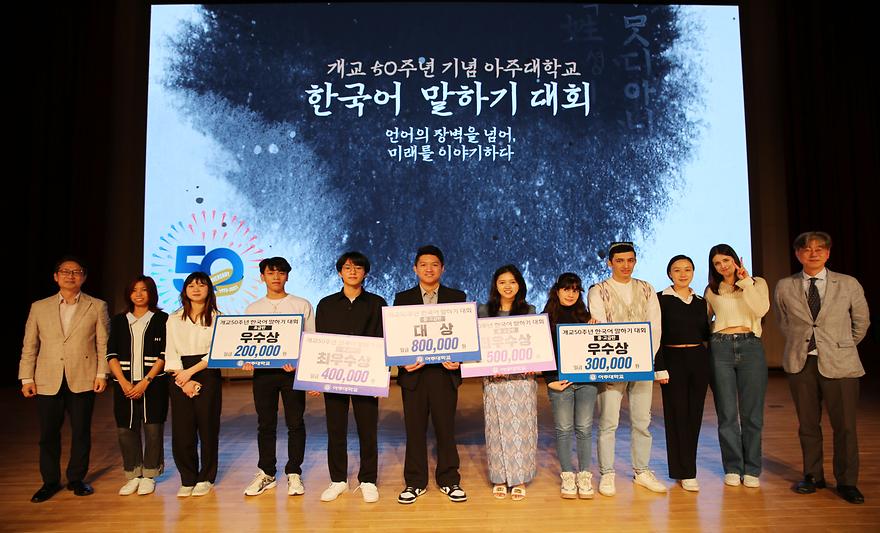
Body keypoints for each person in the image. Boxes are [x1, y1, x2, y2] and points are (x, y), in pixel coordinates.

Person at [773, 232, 870, 504]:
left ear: (828, 253)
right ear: (798, 254)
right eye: (806, 249)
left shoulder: (848, 283)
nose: (813, 253)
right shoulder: (785, 285)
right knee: (807, 425)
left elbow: (861, 321)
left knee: (845, 427)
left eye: (819, 249)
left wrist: (841, 345)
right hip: (801, 362)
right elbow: (784, 321)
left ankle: (847, 482)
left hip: (841, 363)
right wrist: (802, 344)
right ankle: (813, 476)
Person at [19, 256, 110, 503]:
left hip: (83, 376)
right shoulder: (39, 307)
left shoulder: (97, 306)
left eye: (76, 272)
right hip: (47, 378)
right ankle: (49, 482)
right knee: (48, 434)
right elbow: (30, 344)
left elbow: (103, 343)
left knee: (81, 432)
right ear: (56, 276)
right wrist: (26, 377)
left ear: (84, 277)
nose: (71, 276)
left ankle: (76, 479)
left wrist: (101, 374)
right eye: (65, 271)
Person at [588, 242, 667, 496]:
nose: (625, 265)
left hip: (642, 363)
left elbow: (655, 325)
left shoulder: (646, 288)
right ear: (610, 263)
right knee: (608, 421)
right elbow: (600, 326)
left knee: (642, 421)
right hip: (612, 365)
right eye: (620, 261)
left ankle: (641, 471)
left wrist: (645, 357)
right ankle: (607, 473)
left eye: (630, 260)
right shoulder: (598, 290)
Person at [394, 245, 468, 504]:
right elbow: (396, 337)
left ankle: (449, 480)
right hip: (414, 376)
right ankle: (415, 482)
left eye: (434, 264)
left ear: (442, 268)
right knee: (414, 430)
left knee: (446, 429)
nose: (429, 269)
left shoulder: (457, 297)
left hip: (443, 375)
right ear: (415, 268)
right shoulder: (402, 299)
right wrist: (402, 362)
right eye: (423, 264)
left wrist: (459, 359)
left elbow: (465, 335)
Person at [315, 251, 387, 503]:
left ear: (365, 272)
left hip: (366, 377)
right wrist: (315, 378)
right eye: (347, 267)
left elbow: (383, 340)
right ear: (340, 272)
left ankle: (368, 480)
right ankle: (338, 480)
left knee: (368, 429)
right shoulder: (326, 304)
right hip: (334, 376)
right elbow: (319, 342)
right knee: (336, 429)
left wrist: (381, 379)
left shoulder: (377, 303)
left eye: (358, 267)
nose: (353, 271)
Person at [242, 257, 315, 497]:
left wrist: (301, 365)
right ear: (262, 276)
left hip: (291, 373)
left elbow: (311, 339)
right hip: (263, 375)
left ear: (287, 276)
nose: (276, 277)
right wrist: (246, 359)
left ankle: (294, 472)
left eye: (281, 272)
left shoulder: (301, 304)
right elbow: (247, 342)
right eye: (271, 272)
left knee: (295, 423)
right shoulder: (253, 308)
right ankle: (267, 472)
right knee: (265, 424)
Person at [704, 243, 770, 488]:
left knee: (752, 414)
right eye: (717, 263)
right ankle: (732, 467)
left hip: (750, 345)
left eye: (726, 260)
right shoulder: (712, 290)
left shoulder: (756, 283)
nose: (722, 266)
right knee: (727, 413)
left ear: (735, 260)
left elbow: (761, 310)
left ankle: (752, 469)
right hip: (720, 348)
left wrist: (746, 282)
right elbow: (704, 321)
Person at [106, 275, 169, 496]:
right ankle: (133, 475)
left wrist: (145, 381)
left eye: (144, 290)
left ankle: (150, 475)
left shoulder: (162, 319)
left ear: (152, 293)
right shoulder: (118, 320)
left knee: (153, 430)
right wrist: (123, 382)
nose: (139, 294)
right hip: (124, 386)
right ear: (128, 294)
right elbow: (111, 354)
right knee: (126, 430)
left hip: (154, 385)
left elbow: (164, 355)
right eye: (134, 290)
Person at [479, 265, 537, 501]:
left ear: (519, 285)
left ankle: (519, 477)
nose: (508, 286)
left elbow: (535, 345)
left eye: (512, 282)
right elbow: (480, 344)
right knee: (496, 429)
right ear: (495, 285)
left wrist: (534, 362)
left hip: (522, 381)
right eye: (502, 282)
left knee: (521, 429)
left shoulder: (529, 310)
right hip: (495, 380)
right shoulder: (484, 311)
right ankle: (500, 478)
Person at [164, 271, 222, 497]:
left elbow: (216, 351)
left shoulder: (218, 317)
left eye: (201, 285)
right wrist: (182, 377)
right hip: (179, 374)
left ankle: (206, 478)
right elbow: (170, 351)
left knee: (208, 427)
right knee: (182, 429)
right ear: (185, 290)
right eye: (191, 285)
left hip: (206, 372)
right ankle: (187, 478)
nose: (196, 289)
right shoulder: (173, 318)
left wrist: (190, 373)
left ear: (209, 289)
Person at [655, 255, 710, 492]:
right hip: (672, 359)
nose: (683, 274)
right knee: (676, 415)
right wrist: (659, 366)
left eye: (687, 269)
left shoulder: (700, 301)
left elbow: (705, 333)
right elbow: (656, 335)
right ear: (670, 274)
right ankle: (683, 472)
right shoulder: (660, 299)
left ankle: (689, 470)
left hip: (698, 360)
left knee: (694, 416)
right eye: (677, 270)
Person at [543, 272, 597, 499]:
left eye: (575, 290)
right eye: (566, 289)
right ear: (557, 291)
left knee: (584, 428)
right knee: (564, 429)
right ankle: (567, 475)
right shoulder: (545, 319)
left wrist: (595, 329)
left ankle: (584, 476)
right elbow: (543, 352)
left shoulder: (587, 318)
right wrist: (550, 380)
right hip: (560, 382)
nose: (571, 294)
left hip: (586, 382)